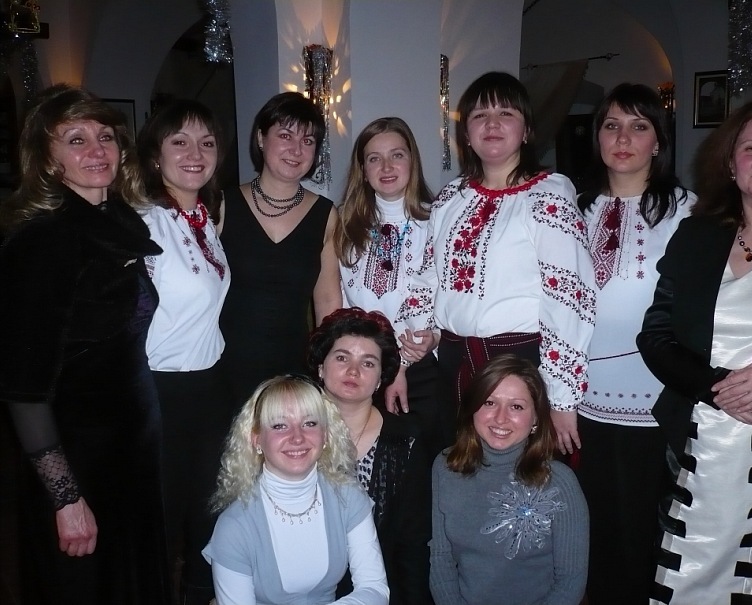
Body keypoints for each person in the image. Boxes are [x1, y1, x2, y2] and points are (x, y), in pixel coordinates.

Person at [0, 85, 169, 604]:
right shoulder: (43, 241)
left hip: (128, 454)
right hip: (78, 460)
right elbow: (23, 390)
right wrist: (66, 498)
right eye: (76, 139)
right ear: (49, 159)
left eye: (106, 137)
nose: (97, 150)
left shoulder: (115, 226)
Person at [637, 99, 752, 605]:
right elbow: (655, 336)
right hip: (695, 441)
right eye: (751, 148)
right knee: (682, 573)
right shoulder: (696, 234)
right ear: (730, 162)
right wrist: (716, 388)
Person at [398, 72, 596, 452]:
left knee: (514, 478)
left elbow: (569, 299)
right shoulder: (451, 197)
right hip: (454, 362)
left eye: (505, 113)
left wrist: (562, 398)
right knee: (456, 468)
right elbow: (429, 276)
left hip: (518, 366)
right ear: (466, 133)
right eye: (479, 115)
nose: (491, 124)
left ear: (526, 130)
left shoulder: (549, 197)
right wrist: (422, 334)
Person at [574, 83, 693, 604]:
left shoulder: (688, 211)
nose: (623, 139)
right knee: (594, 526)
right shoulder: (572, 208)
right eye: (611, 125)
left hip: (656, 400)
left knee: (650, 529)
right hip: (580, 400)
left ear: (658, 141)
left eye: (638, 127)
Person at [137, 99, 231, 605]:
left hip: (208, 388)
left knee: (206, 519)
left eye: (207, 142)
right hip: (160, 393)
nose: (196, 153)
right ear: (156, 155)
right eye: (180, 141)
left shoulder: (203, 219)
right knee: (160, 524)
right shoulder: (143, 222)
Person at [202, 375, 389, 605]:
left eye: (309, 423)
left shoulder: (347, 496)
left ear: (325, 435)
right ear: (256, 440)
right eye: (280, 426)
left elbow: (375, 588)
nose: (297, 437)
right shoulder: (235, 526)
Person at [430, 354, 588, 605]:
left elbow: (570, 583)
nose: (500, 418)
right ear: (473, 408)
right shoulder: (446, 466)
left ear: (536, 418)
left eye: (516, 407)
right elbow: (440, 558)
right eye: (489, 402)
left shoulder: (559, 482)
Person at [218, 92, 341, 403]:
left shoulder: (326, 214)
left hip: (294, 370)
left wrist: (329, 369)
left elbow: (328, 303)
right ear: (261, 138)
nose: (296, 149)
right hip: (224, 366)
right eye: (285, 135)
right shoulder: (221, 206)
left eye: (308, 140)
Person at [334, 116, 446, 452]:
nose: (386, 167)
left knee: (418, 466)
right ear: (363, 169)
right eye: (374, 158)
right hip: (358, 370)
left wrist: (433, 338)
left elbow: (449, 300)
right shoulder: (341, 224)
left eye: (397, 155)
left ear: (413, 160)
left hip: (421, 369)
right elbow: (337, 302)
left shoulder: (439, 221)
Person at [308, 308, 433, 605]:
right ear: (321, 367)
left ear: (380, 378)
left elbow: (413, 547)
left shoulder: (407, 441)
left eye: (368, 363)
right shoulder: (292, 433)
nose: (353, 371)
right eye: (342, 358)